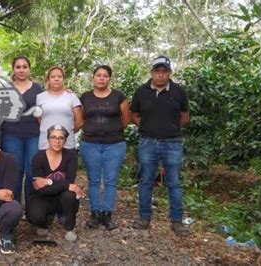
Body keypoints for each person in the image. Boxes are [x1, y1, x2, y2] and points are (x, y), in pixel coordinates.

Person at [131, 55, 190, 236]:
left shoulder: (179, 91)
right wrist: (149, 127)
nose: (161, 75)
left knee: (174, 182)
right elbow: (134, 115)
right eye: (157, 71)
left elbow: (185, 117)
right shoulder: (141, 92)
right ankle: (144, 217)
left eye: (164, 71)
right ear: (152, 72)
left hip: (173, 143)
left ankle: (177, 221)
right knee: (146, 181)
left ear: (169, 73)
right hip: (147, 142)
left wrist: (169, 129)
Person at [80, 65, 130, 231]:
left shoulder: (118, 96)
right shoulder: (85, 97)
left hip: (114, 144)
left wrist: (111, 131)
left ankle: (107, 214)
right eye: (98, 75)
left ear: (109, 78)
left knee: (110, 180)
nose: (101, 78)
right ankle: (95, 214)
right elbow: (81, 119)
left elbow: (126, 119)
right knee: (93, 180)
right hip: (90, 144)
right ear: (93, 78)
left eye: (105, 76)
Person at [26, 125, 84, 241]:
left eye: (61, 138)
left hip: (62, 196)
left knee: (70, 195)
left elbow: (69, 182)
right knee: (34, 217)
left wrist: (48, 181)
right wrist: (64, 185)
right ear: (48, 139)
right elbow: (40, 188)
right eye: (53, 137)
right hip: (42, 197)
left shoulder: (71, 156)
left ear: (65, 140)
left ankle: (69, 227)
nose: (57, 141)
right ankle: (45, 221)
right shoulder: (38, 158)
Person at [0, 56, 43, 204]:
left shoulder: (38, 88)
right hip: (10, 135)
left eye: (25, 67)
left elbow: (49, 101)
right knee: (15, 171)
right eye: (18, 67)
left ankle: (32, 207)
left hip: (34, 135)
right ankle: (15, 206)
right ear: (13, 69)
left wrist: (66, 90)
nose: (21, 70)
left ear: (29, 69)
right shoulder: (5, 87)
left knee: (32, 172)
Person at [36, 66, 83, 151]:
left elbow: (79, 122)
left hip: (67, 144)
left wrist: (67, 132)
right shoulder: (40, 97)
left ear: (63, 79)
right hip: (45, 144)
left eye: (59, 76)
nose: (56, 79)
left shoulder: (71, 97)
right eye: (53, 77)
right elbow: (40, 119)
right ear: (48, 80)